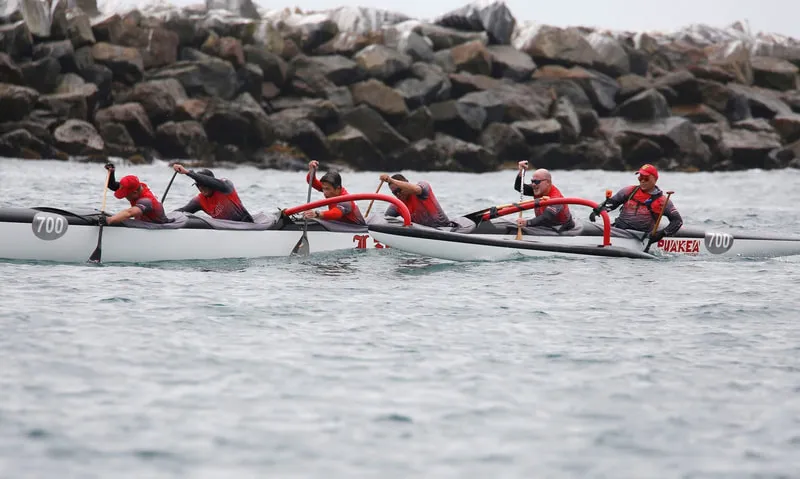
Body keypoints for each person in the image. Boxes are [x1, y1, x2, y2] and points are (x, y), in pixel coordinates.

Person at [592, 163, 683, 242]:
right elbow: (611, 204)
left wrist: (661, 234)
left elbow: (677, 221)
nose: (642, 180)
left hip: (640, 237)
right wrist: (598, 210)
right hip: (619, 230)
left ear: (655, 179)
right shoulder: (629, 191)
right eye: (640, 177)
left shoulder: (663, 201)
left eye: (646, 178)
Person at [171, 164, 253, 222]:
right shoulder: (200, 200)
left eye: (204, 185)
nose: (201, 188)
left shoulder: (225, 186)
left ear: (211, 183)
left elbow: (208, 180)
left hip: (245, 225)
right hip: (225, 231)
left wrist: (188, 172)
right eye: (198, 185)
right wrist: (163, 218)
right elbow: (181, 211)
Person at [513, 161, 574, 230]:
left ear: (547, 182)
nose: (533, 184)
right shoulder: (537, 189)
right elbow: (518, 187)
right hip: (544, 224)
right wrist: (521, 172)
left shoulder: (555, 197)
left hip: (561, 226)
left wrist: (527, 223)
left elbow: (547, 217)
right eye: (532, 181)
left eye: (537, 182)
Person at [101, 163, 169, 225]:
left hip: (156, 225)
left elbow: (129, 213)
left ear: (135, 193)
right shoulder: (137, 186)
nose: (124, 196)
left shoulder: (146, 200)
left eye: (126, 194)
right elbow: (112, 185)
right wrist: (111, 172)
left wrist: (109, 220)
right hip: (143, 221)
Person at [302, 160, 365, 225]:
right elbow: (312, 182)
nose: (324, 192)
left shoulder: (346, 201)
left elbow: (336, 214)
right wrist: (312, 171)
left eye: (327, 189)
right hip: (339, 224)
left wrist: (317, 214)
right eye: (323, 188)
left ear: (338, 188)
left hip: (355, 227)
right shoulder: (330, 189)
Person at [381, 173, 451, 227]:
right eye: (395, 192)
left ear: (407, 183)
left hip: (445, 228)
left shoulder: (423, 188)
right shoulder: (396, 206)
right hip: (422, 233)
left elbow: (416, 189)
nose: (398, 194)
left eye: (399, 189)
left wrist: (391, 180)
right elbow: (383, 220)